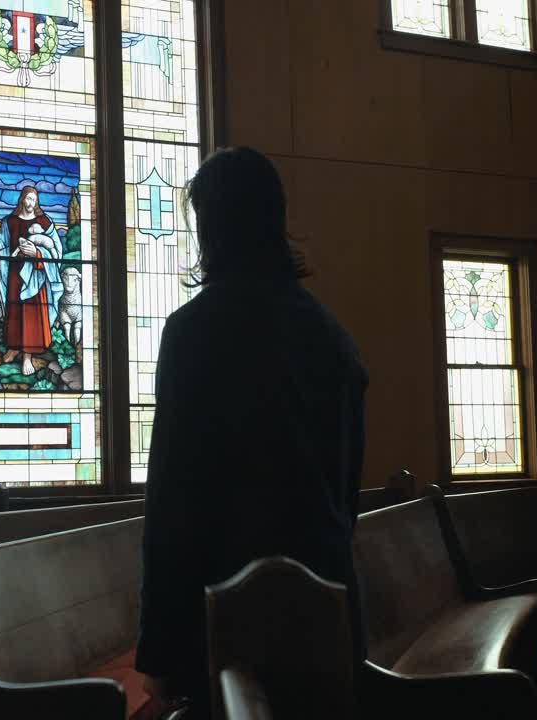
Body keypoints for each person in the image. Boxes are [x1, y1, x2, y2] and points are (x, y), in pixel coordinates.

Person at [135, 147, 369, 718]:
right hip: (329, 611)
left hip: (231, 622)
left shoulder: (194, 332)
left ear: (210, 229)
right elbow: (346, 494)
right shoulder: (331, 334)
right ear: (275, 221)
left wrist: (161, 650)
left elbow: (173, 504)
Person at [0, 186, 63, 376]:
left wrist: (37, 253)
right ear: (22, 199)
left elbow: (56, 250)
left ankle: (28, 356)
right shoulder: (10, 222)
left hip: (36, 276)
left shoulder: (44, 222)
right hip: (15, 273)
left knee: (31, 315)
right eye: (28, 199)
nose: (31, 203)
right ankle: (14, 348)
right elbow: (0, 242)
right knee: (14, 311)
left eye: (34, 200)